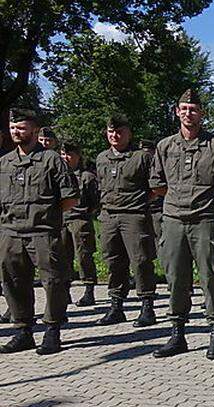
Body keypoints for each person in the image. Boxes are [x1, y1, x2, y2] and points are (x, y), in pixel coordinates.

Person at [149, 89, 214, 360]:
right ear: (177, 112)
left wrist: (213, 196)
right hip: (173, 221)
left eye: (193, 109)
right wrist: (177, 198)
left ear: (202, 114)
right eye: (184, 109)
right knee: (176, 278)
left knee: (210, 277)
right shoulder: (165, 146)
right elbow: (156, 182)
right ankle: (177, 335)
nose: (188, 113)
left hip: (204, 221)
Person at [0, 108, 79, 355]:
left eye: (21, 128)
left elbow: (69, 198)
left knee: (53, 281)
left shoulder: (51, 159)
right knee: (13, 282)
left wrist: (48, 217)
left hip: (43, 232)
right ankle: (23, 330)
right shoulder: (4, 162)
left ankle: (52, 330)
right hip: (11, 232)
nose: (16, 132)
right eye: (13, 127)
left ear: (34, 130)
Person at [94, 113, 158, 327]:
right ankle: (116, 305)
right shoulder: (102, 157)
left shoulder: (142, 157)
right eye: (111, 131)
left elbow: (156, 187)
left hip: (134, 216)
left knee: (140, 261)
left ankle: (147, 306)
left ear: (129, 133)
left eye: (119, 131)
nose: (114, 135)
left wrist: (139, 202)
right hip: (109, 216)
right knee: (113, 261)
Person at [59, 141, 100, 308]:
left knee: (84, 256)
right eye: (63, 154)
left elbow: (95, 201)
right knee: (62, 257)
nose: (66, 158)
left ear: (78, 156)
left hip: (80, 220)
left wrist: (86, 214)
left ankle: (89, 290)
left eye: (69, 154)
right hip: (61, 220)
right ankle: (65, 291)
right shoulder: (58, 175)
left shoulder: (86, 177)